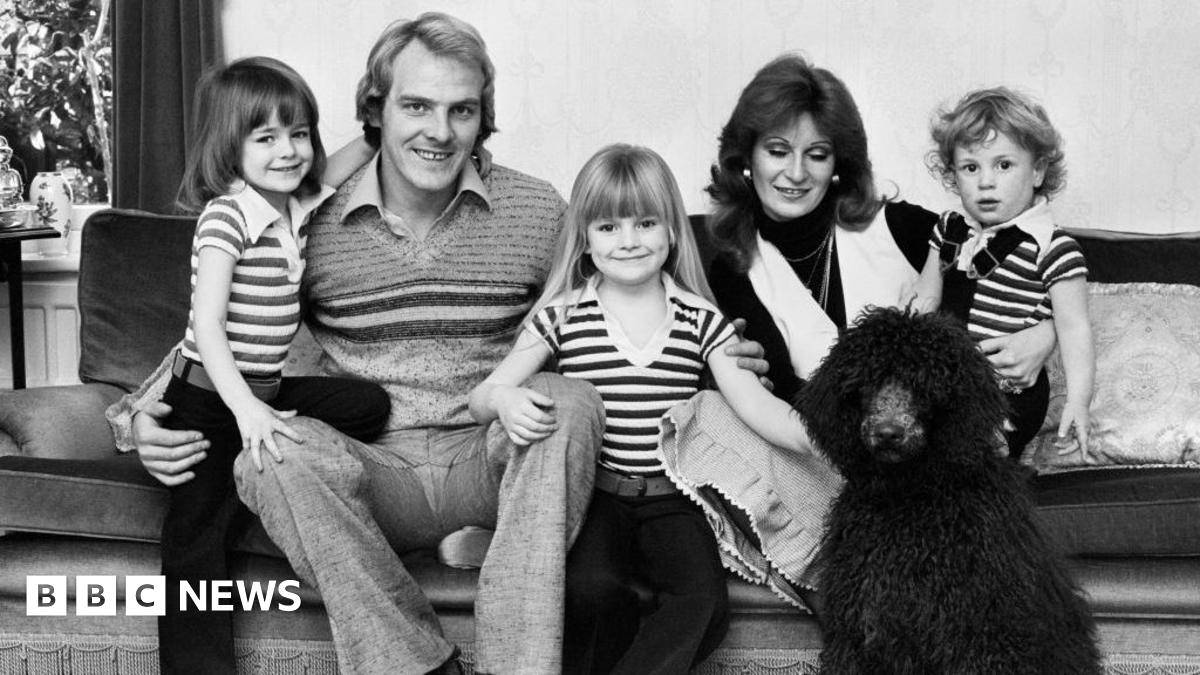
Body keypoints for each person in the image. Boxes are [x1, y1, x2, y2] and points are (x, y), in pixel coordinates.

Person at [112, 13, 769, 675]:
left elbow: (633, 302)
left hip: (494, 457)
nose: (439, 130)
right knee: (268, 457)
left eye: (461, 110)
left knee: (567, 400)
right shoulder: (309, 216)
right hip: (374, 470)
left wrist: (722, 355)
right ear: (376, 110)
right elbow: (221, 327)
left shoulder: (537, 211)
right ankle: (419, 665)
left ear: (483, 117)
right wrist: (137, 414)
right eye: (416, 105)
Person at [657, 54, 1061, 616]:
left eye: (816, 155)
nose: (795, 173)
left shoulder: (897, 225)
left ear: (838, 164)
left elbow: (1034, 267)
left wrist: (1045, 332)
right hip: (829, 451)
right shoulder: (726, 263)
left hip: (942, 444)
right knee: (711, 412)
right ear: (745, 158)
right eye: (777, 151)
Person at [470, 144, 810, 674]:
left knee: (703, 603)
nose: (628, 241)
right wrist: (506, 398)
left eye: (645, 223)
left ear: (672, 230)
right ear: (584, 237)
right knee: (591, 589)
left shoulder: (700, 319)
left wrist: (823, 439)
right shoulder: (562, 315)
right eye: (608, 227)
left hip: (672, 500)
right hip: (598, 497)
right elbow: (483, 395)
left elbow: (755, 407)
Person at [157, 56, 391, 674]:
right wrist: (246, 411)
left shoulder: (296, 204)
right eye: (266, 138)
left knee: (369, 404)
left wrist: (384, 116)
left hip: (265, 389)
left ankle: (259, 457)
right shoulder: (226, 217)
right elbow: (206, 327)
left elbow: (351, 156)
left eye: (298, 133)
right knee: (195, 544)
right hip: (210, 397)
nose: (288, 151)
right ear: (231, 148)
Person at [911, 86, 1093, 458]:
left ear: (1038, 170)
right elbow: (926, 297)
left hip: (1009, 393)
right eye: (970, 167)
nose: (986, 182)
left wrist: (1079, 400)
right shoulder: (949, 228)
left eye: (1004, 165)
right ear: (953, 174)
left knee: (969, 456)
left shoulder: (1053, 247)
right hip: (948, 381)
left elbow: (1075, 328)